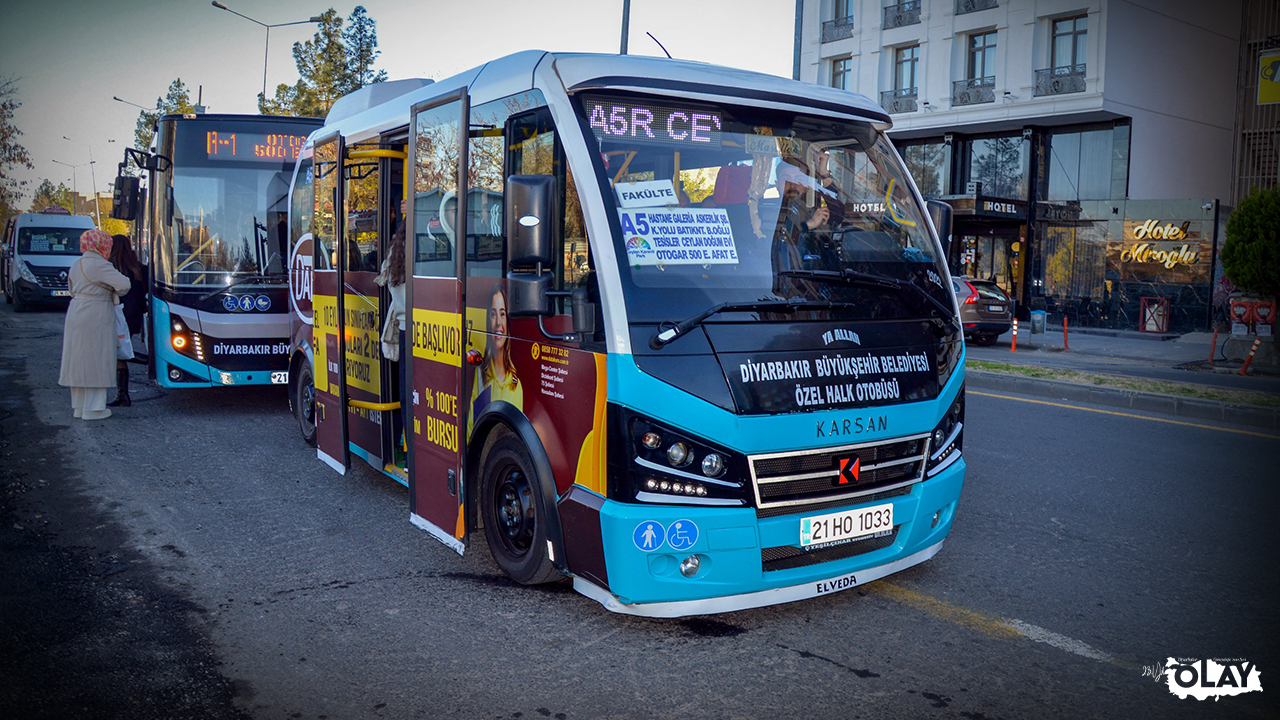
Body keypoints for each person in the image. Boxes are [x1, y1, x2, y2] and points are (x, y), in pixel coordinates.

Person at [58, 229, 132, 421]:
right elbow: (124, 285)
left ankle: (79, 407)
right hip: (97, 313)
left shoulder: (77, 264)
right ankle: (94, 409)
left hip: (76, 311)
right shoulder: (101, 265)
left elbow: (72, 289)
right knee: (96, 360)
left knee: (78, 360)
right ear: (102, 245)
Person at [376, 198, 409, 453]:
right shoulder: (425, 246)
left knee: (405, 393)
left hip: (403, 328)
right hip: (420, 328)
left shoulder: (395, 252)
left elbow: (383, 279)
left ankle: (405, 449)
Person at [468, 284, 523, 437]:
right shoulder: (481, 374)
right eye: (493, 314)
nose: (498, 322)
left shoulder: (516, 386)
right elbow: (471, 432)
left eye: (503, 314)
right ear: (488, 322)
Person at [107, 234, 147, 407]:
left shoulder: (111, 267)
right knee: (120, 350)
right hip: (133, 315)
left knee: (117, 352)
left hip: (116, 314)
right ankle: (122, 395)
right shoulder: (139, 268)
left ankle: (123, 393)